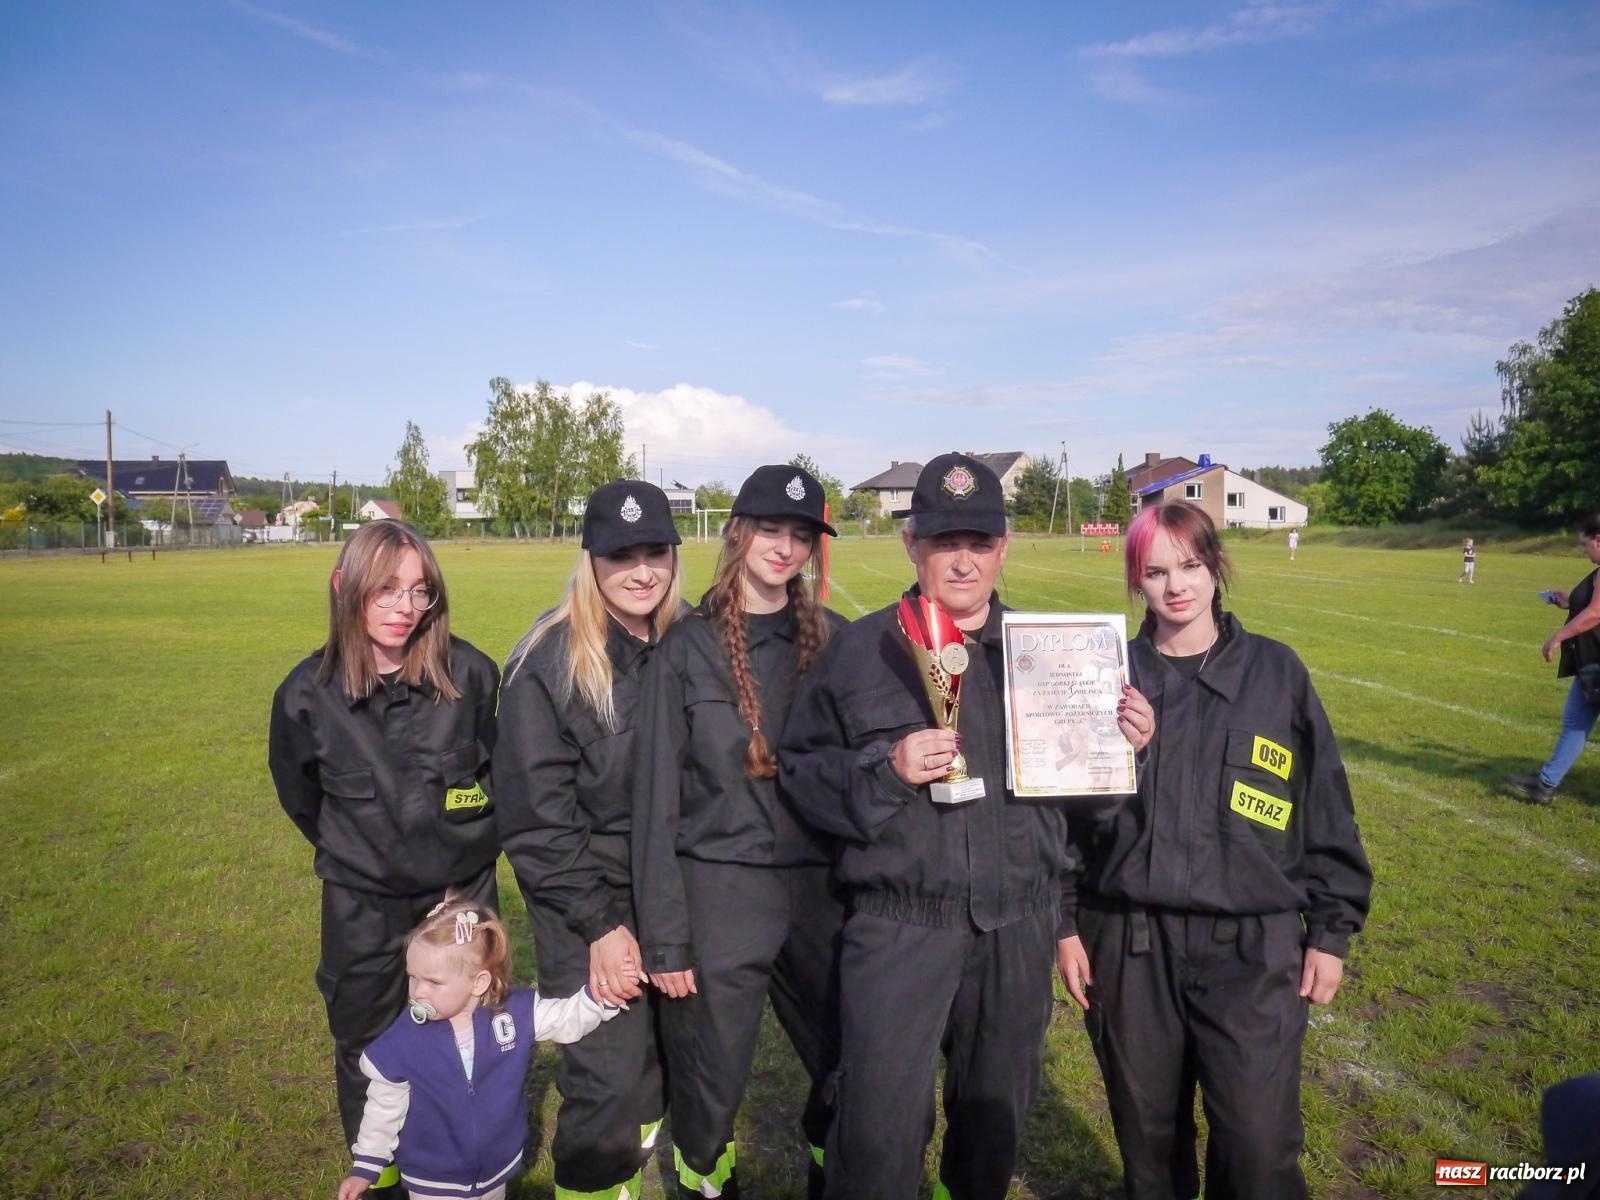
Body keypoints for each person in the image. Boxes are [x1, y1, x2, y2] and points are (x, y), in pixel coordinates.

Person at [779, 453, 1154, 1200]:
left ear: (1003, 546)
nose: (962, 560)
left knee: (991, 1131)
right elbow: (803, 777)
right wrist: (885, 768)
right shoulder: (860, 652)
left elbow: (1091, 815)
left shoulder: (1052, 656)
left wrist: (1122, 754)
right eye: (944, 541)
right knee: (878, 1135)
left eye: (978, 543)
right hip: (899, 928)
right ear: (911, 542)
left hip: (1016, 927)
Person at [1057, 500, 1372, 1200]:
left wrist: (1332, 929)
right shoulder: (1105, 675)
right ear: (1135, 579)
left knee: (1259, 1152)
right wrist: (1065, 921)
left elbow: (1324, 804)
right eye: (1156, 571)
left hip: (1251, 950)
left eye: (1191, 566)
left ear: (1216, 567)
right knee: (1149, 1146)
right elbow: (1068, 821)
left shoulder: (1275, 673)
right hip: (1131, 943)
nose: (1177, 586)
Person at [270, 520, 501, 1198]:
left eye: (419, 591)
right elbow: (303, 798)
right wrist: (361, 854)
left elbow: (508, 783)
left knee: (465, 1043)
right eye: (387, 589)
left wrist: (464, 864)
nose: (404, 607)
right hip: (360, 904)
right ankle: (385, 1175)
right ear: (345, 589)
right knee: (369, 1047)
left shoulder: (473, 676)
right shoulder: (305, 695)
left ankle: (464, 1170)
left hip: (459, 898)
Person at [633, 464, 846, 1200]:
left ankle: (833, 1172)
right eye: (770, 529)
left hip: (822, 891)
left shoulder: (837, 641)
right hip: (720, 891)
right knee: (712, 1080)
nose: (784, 548)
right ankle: (704, 1182)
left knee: (846, 1060)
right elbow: (655, 802)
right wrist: (665, 938)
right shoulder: (685, 649)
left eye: (800, 535)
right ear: (738, 531)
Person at [493, 480, 683, 1200]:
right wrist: (601, 926)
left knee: (661, 1065)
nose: (641, 571)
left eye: (655, 553)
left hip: (672, 896)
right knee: (605, 1077)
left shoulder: (688, 640)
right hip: (590, 902)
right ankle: (597, 1184)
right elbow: (537, 819)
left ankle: (632, 1179)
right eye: (621, 555)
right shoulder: (548, 661)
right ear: (590, 561)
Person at [337, 894, 619, 1200]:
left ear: (479, 982)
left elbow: (566, 1019)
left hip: (495, 1172)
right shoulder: (407, 1039)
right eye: (412, 978)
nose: (418, 991)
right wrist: (366, 1164)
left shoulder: (513, 1014)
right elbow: (383, 1107)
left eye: (432, 981)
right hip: (432, 1179)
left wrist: (602, 997)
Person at [1506, 513, 1600, 806]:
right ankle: (1545, 783)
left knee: (1575, 721)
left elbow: (1596, 613)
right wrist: (1568, 603)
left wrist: (1558, 636)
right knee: (1575, 722)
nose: (1583, 550)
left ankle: (1546, 782)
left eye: (1585, 545)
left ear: (1599, 540)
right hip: (1592, 663)